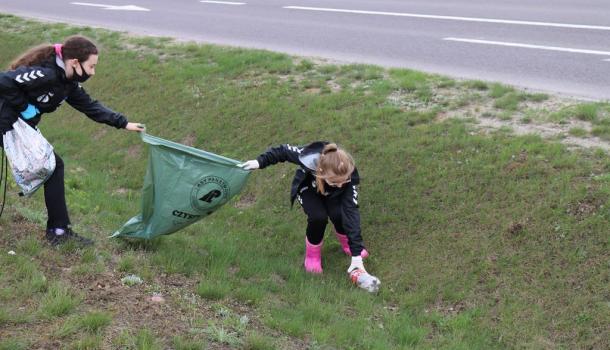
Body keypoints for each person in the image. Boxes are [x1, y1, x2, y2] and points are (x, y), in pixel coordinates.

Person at [0, 35, 144, 246]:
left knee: (53, 166)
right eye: (91, 66)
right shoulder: (48, 74)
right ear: (75, 62)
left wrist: (123, 123)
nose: (93, 72)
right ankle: (58, 232)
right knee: (53, 166)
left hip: (17, 124)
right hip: (7, 121)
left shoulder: (67, 83)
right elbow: (4, 80)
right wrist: (23, 106)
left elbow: (89, 106)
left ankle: (58, 231)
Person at [240, 142, 380, 292]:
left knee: (339, 213)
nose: (340, 185)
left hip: (333, 195)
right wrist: (259, 162)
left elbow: (352, 214)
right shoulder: (309, 157)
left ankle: (347, 245)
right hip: (309, 189)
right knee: (318, 217)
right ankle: (312, 256)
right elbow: (283, 151)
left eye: (343, 182)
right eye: (335, 182)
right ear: (320, 171)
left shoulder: (347, 177)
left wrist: (356, 255)